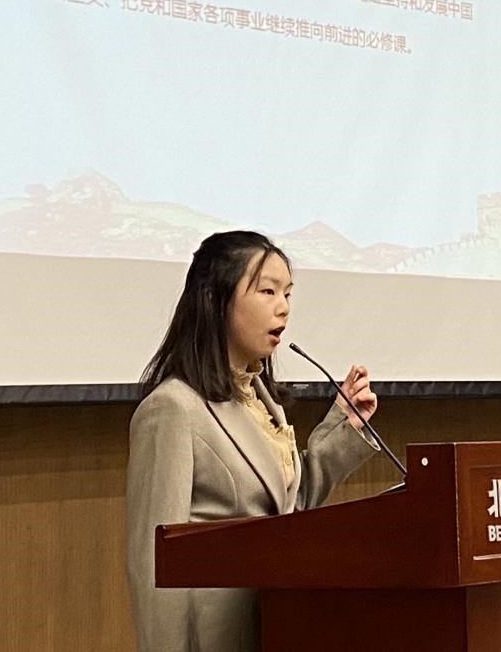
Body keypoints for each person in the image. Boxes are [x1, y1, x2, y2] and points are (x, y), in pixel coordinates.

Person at [126, 230, 379, 652]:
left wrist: (344, 425)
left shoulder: (261, 402)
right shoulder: (172, 409)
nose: (283, 308)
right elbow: (152, 563)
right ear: (215, 300)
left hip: (278, 627)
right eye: (267, 291)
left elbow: (286, 512)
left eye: (288, 293)